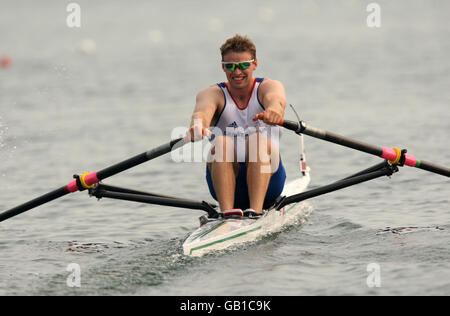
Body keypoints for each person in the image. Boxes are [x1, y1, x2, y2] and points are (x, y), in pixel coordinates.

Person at [185, 34, 286, 215]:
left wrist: (274, 111)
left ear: (255, 64)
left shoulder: (268, 87)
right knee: (222, 143)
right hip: (226, 185)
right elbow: (202, 112)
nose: (237, 72)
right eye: (230, 66)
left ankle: (255, 212)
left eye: (243, 65)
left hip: (269, 182)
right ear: (223, 67)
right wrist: (198, 125)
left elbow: (276, 100)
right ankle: (227, 214)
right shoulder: (212, 93)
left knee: (257, 141)